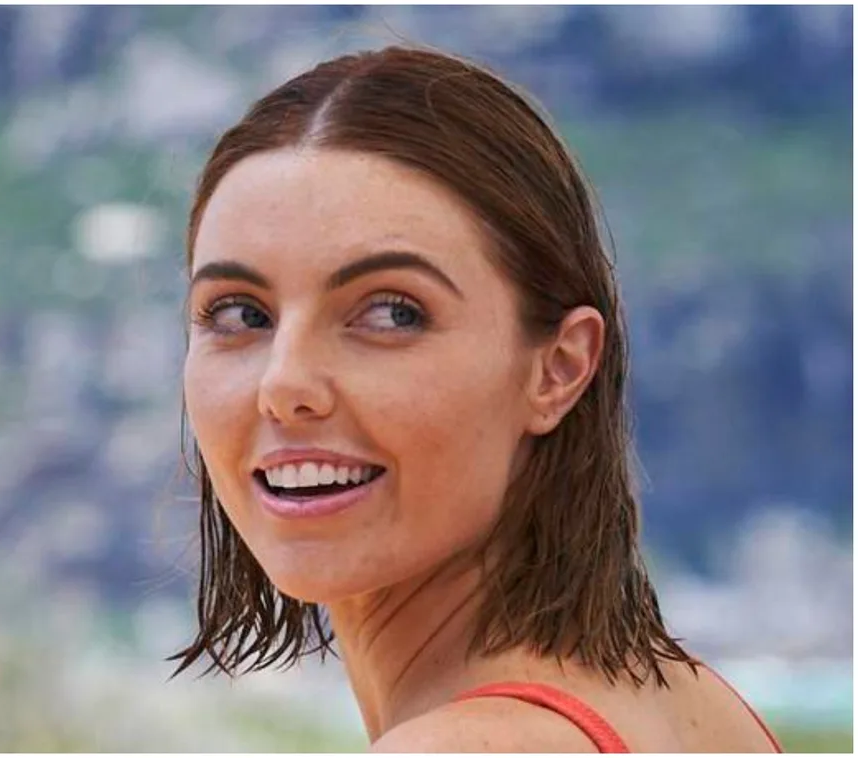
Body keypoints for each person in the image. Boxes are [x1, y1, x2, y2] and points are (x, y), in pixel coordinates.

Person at [171, 46, 783, 753]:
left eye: (393, 312)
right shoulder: (690, 701)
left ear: (559, 367)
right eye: (240, 314)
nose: (284, 385)